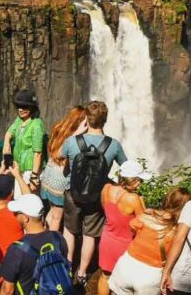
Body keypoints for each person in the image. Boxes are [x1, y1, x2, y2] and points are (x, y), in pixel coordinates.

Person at [61, 100, 127, 286]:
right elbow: (126, 166)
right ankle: (82, 273)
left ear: (86, 120)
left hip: (72, 193)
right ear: (105, 120)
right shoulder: (113, 145)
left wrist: (77, 133)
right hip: (97, 195)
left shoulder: (72, 142)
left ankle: (67, 268)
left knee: (70, 230)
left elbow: (59, 154)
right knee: (90, 234)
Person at [109, 188, 191, 295]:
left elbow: (132, 227)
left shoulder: (145, 216)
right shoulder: (177, 231)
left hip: (126, 265)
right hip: (149, 275)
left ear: (166, 199)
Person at [0, 194, 69, 295]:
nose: (14, 215)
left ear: (26, 218)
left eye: (16, 213)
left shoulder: (16, 251)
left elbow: (7, 290)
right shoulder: (58, 238)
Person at [97, 161, 150, 295]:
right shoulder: (133, 199)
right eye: (140, 180)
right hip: (126, 244)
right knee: (124, 283)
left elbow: (106, 209)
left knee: (105, 277)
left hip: (108, 238)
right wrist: (142, 203)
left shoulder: (106, 188)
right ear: (134, 180)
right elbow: (142, 224)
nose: (141, 184)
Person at [41, 106, 88, 231]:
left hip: (48, 175)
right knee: (57, 217)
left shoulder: (58, 128)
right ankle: (50, 245)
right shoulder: (74, 139)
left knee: (51, 212)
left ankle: (44, 236)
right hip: (59, 181)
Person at [2, 89, 46, 185]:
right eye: (18, 106)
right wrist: (6, 142)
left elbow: (38, 153)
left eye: (24, 106)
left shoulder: (36, 125)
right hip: (18, 167)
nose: (20, 110)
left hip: (29, 171)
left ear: (32, 107)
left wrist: (33, 177)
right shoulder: (19, 119)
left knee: (25, 197)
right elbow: (10, 132)